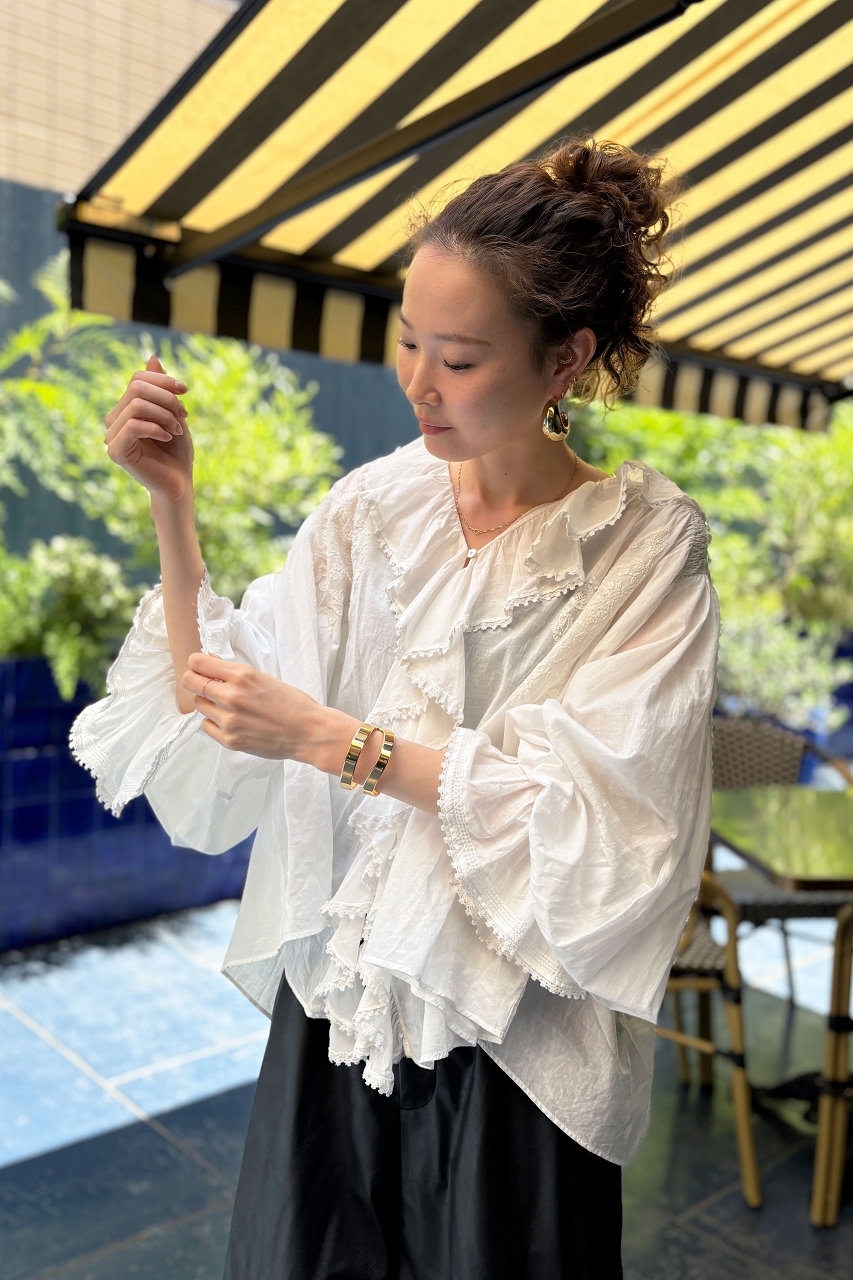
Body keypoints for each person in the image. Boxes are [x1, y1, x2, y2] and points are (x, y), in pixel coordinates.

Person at [72, 138, 718, 1280]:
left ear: (566, 359)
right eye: (408, 339)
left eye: (459, 358)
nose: (418, 381)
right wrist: (172, 507)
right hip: (338, 1018)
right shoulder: (371, 509)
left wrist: (329, 738)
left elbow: (612, 834)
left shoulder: (642, 547)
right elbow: (219, 707)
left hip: (513, 1050)